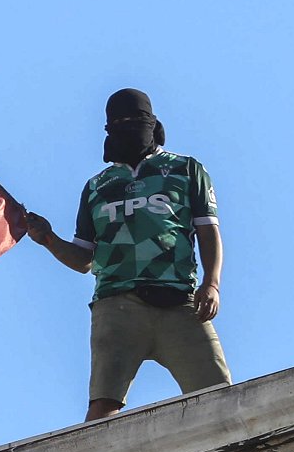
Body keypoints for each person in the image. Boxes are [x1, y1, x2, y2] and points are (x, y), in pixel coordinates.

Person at [26, 88, 232, 422]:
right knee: (103, 405)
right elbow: (83, 259)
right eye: (118, 122)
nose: (127, 127)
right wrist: (48, 238)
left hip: (179, 302)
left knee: (220, 397)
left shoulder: (185, 170)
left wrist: (212, 284)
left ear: (152, 122)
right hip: (116, 305)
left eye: (135, 120)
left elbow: (208, 231)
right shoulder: (98, 186)